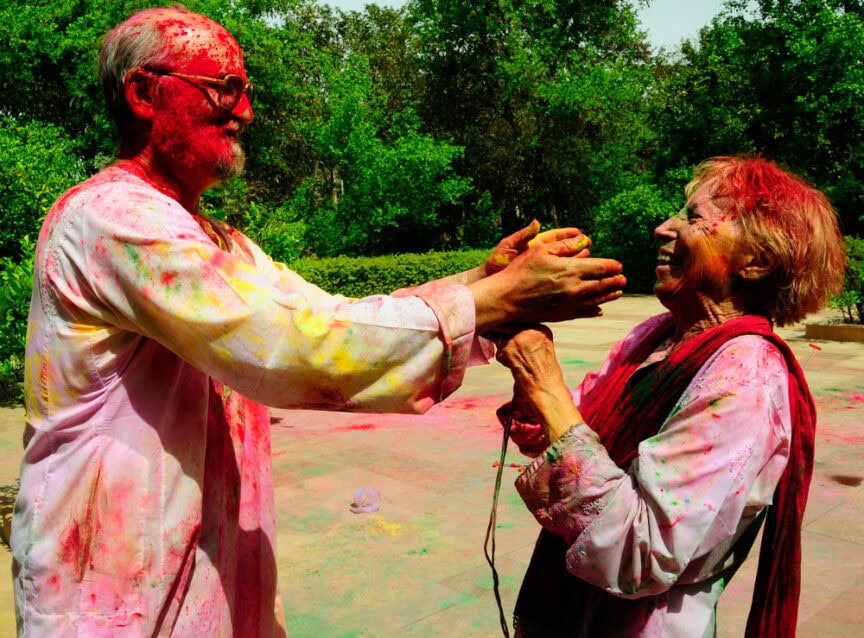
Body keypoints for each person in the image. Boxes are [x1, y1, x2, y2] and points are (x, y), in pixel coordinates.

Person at [11, 6, 627, 636]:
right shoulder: (114, 219)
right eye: (224, 88)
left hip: (180, 565)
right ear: (144, 93)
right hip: (110, 575)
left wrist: (486, 283)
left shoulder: (214, 239)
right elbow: (291, 345)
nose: (244, 111)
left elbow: (327, 317)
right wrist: (503, 301)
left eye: (246, 92)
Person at [493, 156, 846, 637]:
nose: (664, 228)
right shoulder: (657, 335)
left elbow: (638, 553)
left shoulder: (746, 378)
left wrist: (544, 385)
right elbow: (569, 425)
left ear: (757, 262)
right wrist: (508, 303)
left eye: (694, 219)